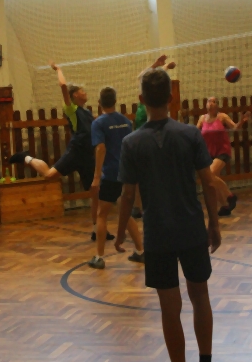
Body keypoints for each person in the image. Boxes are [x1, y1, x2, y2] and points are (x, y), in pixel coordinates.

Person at [115, 68, 221, 362]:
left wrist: (119, 233)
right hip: (191, 228)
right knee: (200, 295)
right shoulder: (190, 134)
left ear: (141, 100)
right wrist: (214, 223)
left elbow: (127, 195)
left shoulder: (132, 143)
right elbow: (208, 183)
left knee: (169, 307)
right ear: (171, 97)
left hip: (158, 234)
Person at [9, 63, 114, 242]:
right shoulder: (71, 109)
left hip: (88, 156)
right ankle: (25, 157)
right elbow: (63, 86)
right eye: (82, 91)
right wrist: (58, 70)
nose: (85, 93)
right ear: (75, 95)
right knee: (49, 175)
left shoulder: (87, 112)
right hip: (75, 152)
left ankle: (97, 230)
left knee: (95, 192)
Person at [88, 87, 144, 270]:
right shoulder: (126, 121)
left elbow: (100, 148)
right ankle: (140, 251)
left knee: (101, 214)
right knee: (125, 211)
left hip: (110, 174)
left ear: (99, 103)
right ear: (115, 101)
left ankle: (99, 257)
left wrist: (97, 176)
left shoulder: (98, 123)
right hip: (126, 172)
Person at [132, 55, 177, 218]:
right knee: (139, 175)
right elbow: (143, 78)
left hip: (152, 140)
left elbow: (146, 79)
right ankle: (137, 206)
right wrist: (157, 65)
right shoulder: (145, 103)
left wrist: (162, 68)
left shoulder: (153, 106)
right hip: (142, 139)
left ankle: (152, 204)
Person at [196, 97, 250, 216]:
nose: (211, 103)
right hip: (209, 153)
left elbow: (235, 127)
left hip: (222, 151)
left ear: (217, 105)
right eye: (209, 101)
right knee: (212, 181)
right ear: (206, 105)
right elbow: (195, 133)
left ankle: (230, 196)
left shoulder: (222, 117)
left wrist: (241, 121)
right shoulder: (202, 119)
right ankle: (225, 206)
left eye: (214, 101)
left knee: (210, 174)